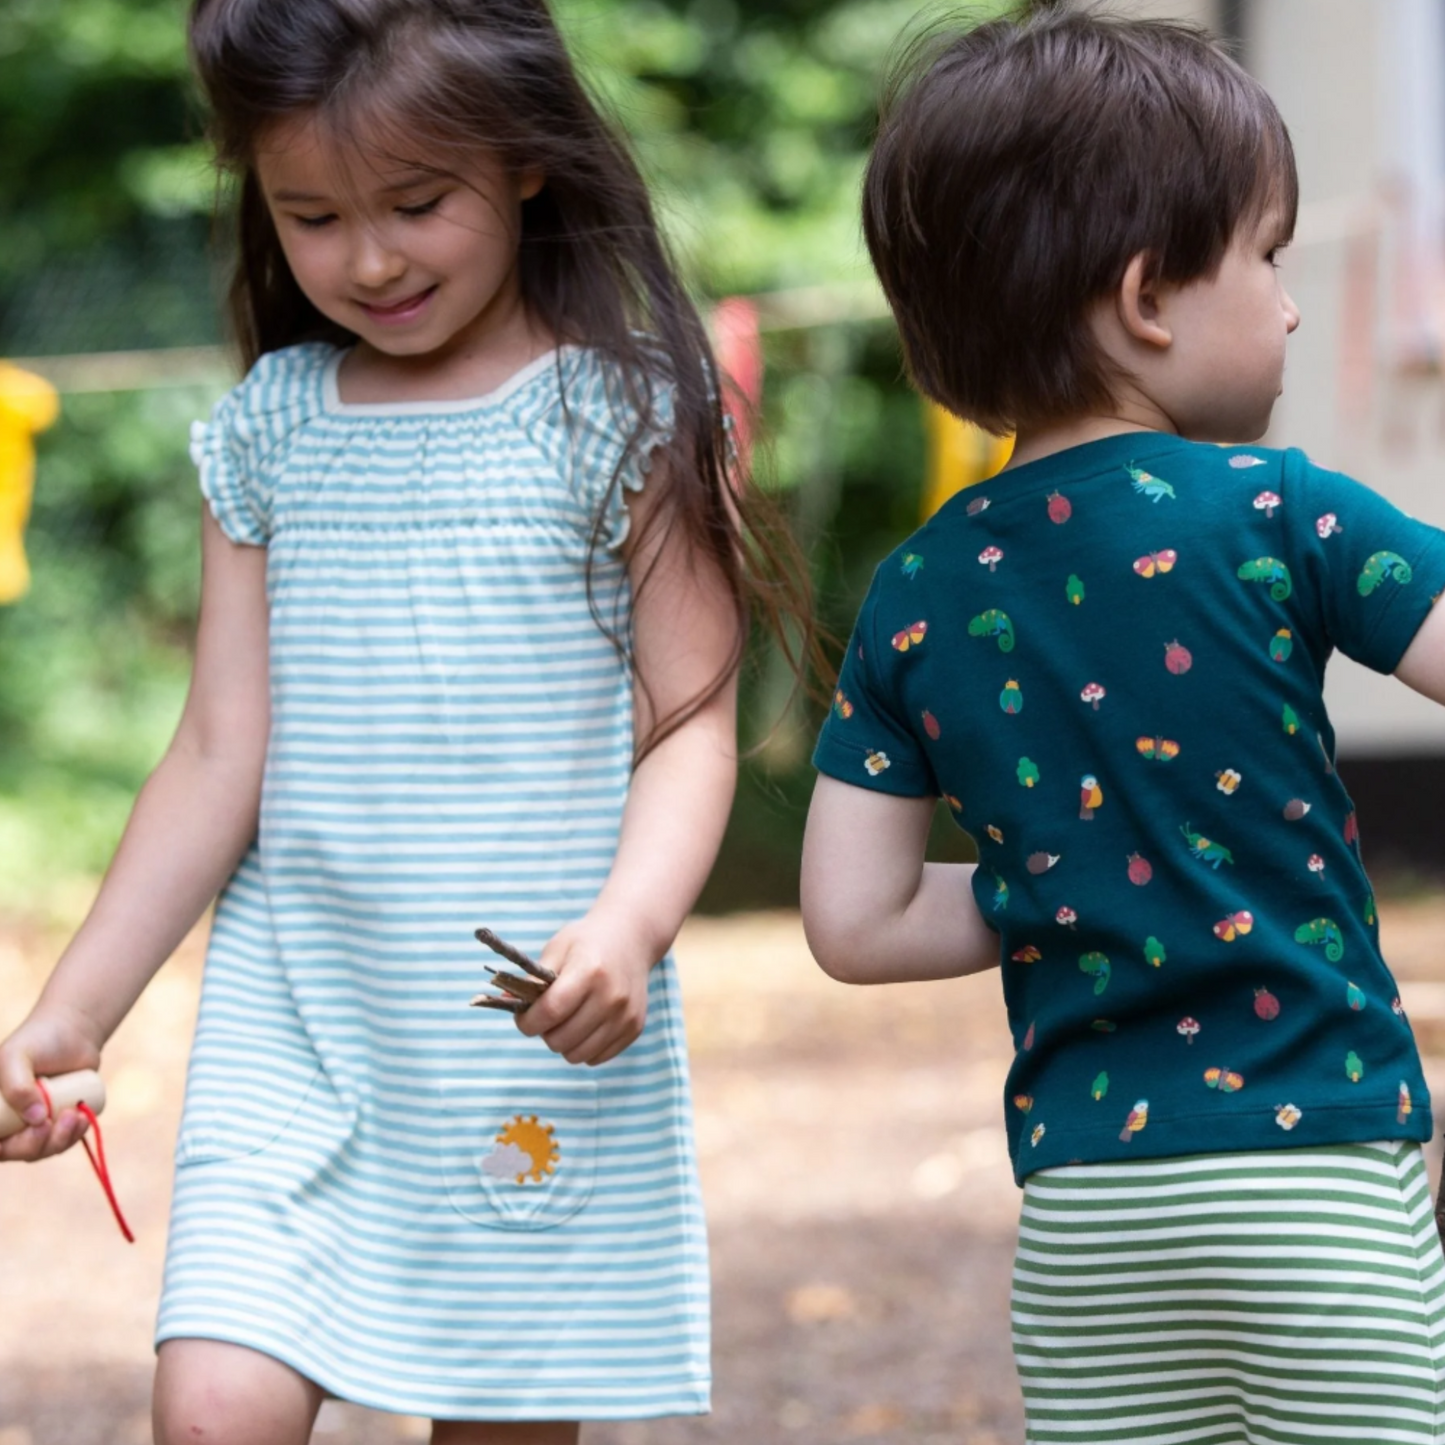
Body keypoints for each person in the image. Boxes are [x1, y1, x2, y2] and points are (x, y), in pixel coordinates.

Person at [0, 1, 813, 1440]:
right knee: (209, 1411)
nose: (367, 258)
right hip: (295, 1017)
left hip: (526, 1021)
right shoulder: (272, 422)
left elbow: (689, 722)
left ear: (523, 162)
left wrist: (631, 925)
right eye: (311, 214)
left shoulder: (624, 416)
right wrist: (68, 1018)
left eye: (416, 203)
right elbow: (213, 751)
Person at [802, 10, 1445, 1443]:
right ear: (1148, 297)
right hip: (1317, 1164)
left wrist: (1071, 874)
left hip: (1091, 1216)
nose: (1285, 303)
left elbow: (857, 923)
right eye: (1266, 259)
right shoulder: (1284, 511)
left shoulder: (914, 593)